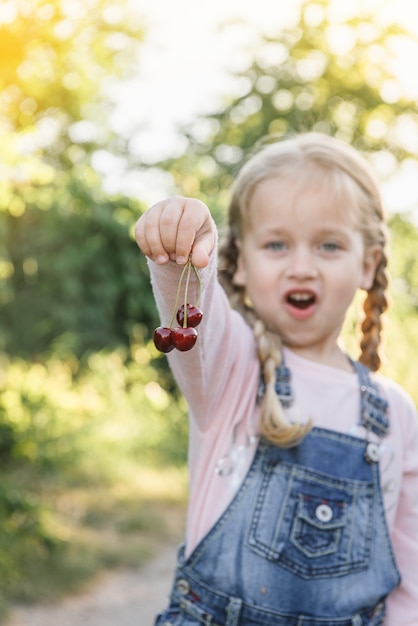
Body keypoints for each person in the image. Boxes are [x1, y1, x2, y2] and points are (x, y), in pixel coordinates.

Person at [135, 132, 418, 625]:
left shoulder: (394, 412)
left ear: (367, 264)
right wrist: (182, 247)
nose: (302, 267)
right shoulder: (234, 370)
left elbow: (410, 578)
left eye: (329, 245)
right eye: (276, 245)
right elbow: (195, 311)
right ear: (239, 263)